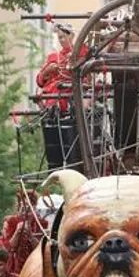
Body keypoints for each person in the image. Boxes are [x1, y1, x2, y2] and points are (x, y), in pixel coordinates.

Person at [36, 23, 89, 169]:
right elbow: (39, 81)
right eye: (59, 38)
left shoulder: (83, 52)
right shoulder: (54, 57)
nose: (62, 40)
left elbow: (89, 75)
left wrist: (76, 62)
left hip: (75, 96)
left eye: (64, 37)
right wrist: (48, 71)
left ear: (72, 36)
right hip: (56, 98)